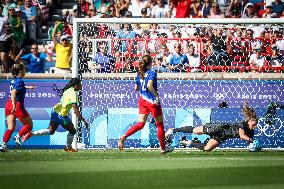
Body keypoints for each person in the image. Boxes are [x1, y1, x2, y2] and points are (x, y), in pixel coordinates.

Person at [118, 55, 173, 154]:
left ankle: (124, 136)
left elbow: (136, 88)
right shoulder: (152, 73)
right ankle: (163, 149)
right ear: (150, 63)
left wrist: (143, 88)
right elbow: (149, 85)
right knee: (159, 125)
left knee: (140, 124)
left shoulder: (139, 74)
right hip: (152, 102)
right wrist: (156, 96)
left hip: (143, 101)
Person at [21, 78, 88, 152]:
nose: (81, 86)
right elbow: (75, 110)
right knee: (72, 131)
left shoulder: (68, 89)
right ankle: (68, 147)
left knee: (51, 131)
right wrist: (83, 120)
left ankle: (31, 134)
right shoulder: (73, 93)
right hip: (61, 115)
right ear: (76, 85)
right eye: (80, 84)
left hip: (54, 111)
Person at [165, 101, 258, 152]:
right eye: (253, 125)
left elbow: (247, 139)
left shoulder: (250, 131)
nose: (254, 127)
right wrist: (251, 141)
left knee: (207, 148)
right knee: (196, 131)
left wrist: (252, 145)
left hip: (223, 136)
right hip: (219, 128)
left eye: (255, 126)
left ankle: (186, 142)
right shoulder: (243, 124)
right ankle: (173, 130)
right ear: (249, 121)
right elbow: (242, 135)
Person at [0, 63, 36, 152]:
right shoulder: (20, 80)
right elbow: (14, 93)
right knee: (29, 125)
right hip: (17, 105)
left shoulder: (14, 80)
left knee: (10, 128)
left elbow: (16, 88)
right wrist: (14, 106)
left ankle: (3, 145)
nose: (25, 71)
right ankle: (18, 136)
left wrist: (27, 87)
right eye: (24, 70)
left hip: (8, 104)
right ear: (20, 71)